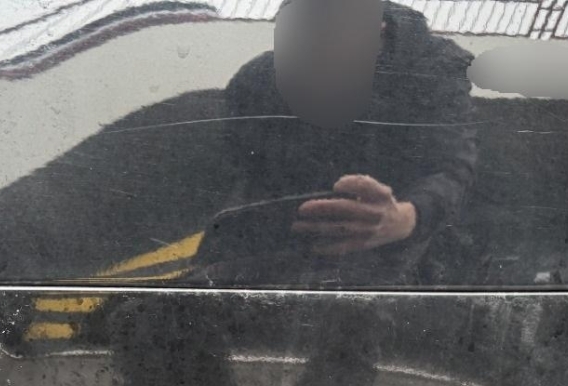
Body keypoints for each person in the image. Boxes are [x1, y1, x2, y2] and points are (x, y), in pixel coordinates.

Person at [196, 0, 479, 287]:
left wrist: (406, 218)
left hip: (399, 262)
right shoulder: (257, 80)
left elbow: (452, 169)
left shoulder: (434, 70)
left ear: (377, 30)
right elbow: (228, 175)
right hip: (271, 250)